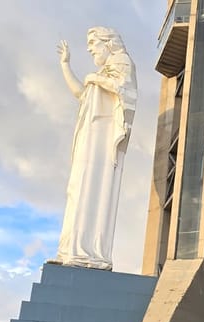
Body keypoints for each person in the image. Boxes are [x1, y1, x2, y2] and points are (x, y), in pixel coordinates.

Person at [53, 27, 137, 270]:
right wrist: (66, 66)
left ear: (108, 43)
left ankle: (89, 252)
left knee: (93, 189)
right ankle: (70, 249)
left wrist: (95, 78)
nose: (90, 48)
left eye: (93, 43)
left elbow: (127, 91)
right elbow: (82, 94)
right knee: (77, 189)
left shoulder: (122, 62)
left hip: (102, 141)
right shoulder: (101, 73)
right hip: (88, 138)